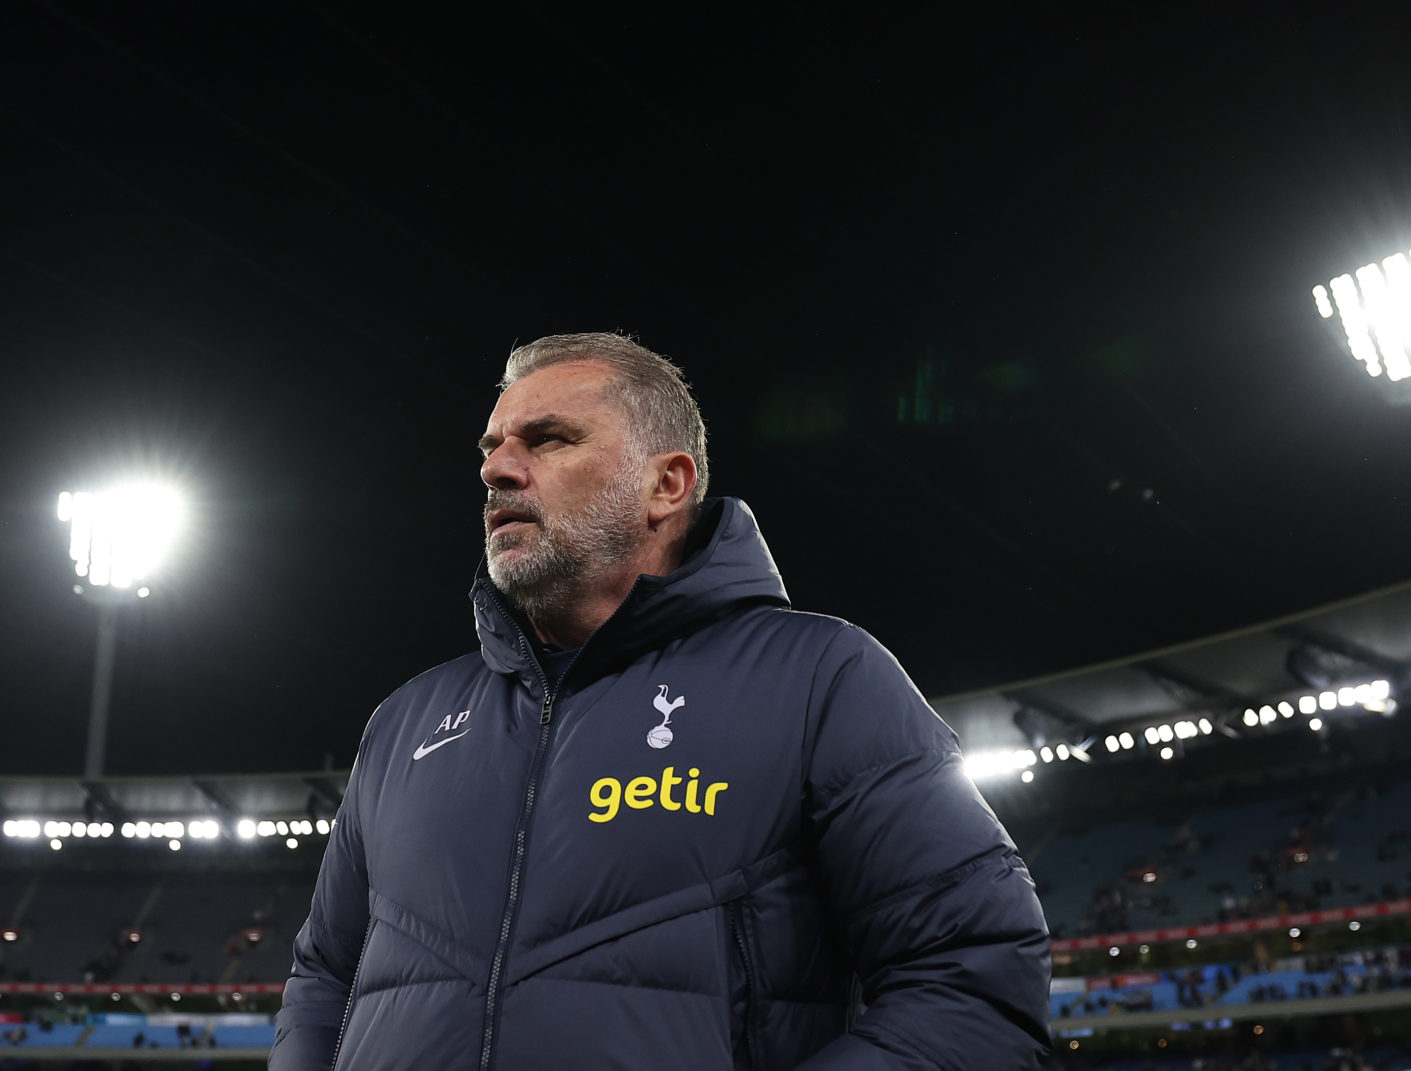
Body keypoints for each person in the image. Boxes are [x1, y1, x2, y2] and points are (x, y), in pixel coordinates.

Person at [271, 333, 1051, 1070]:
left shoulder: (821, 677)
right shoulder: (407, 719)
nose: (496, 470)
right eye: (491, 447)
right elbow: (322, 978)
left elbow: (973, 979)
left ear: (665, 484)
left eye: (546, 439)